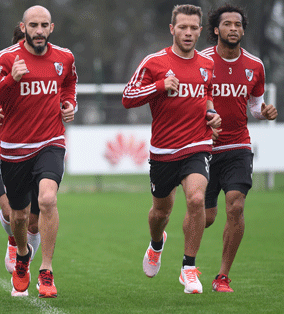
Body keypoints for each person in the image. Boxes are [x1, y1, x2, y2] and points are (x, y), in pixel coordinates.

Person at [122, 4, 221, 294]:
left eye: (193, 28)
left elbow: (207, 96)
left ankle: (189, 268)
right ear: (172, 29)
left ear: (200, 31)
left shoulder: (206, 64)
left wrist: (212, 115)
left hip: (198, 145)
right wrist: (159, 86)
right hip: (163, 152)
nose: (188, 33)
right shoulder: (154, 62)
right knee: (159, 213)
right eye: (182, 27)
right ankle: (156, 243)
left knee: (196, 199)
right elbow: (128, 97)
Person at [0, 5, 77, 298]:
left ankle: (46, 271)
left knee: (48, 200)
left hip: (50, 142)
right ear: (23, 27)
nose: (38, 30)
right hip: (13, 150)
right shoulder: (6, 59)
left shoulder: (65, 57)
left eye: (43, 25)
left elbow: (69, 85)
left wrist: (70, 104)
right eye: (32, 25)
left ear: (51, 28)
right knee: (19, 217)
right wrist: (12, 80)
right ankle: (23, 255)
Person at [200, 4, 278, 292]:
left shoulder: (255, 66)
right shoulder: (201, 61)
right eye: (227, 24)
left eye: (238, 24)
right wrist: (206, 120)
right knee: (205, 217)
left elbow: (255, 107)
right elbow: (190, 101)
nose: (233, 28)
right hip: (204, 149)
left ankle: (222, 276)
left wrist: (264, 112)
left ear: (243, 30)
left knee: (236, 205)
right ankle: (188, 263)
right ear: (216, 29)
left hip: (238, 146)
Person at [0, 25, 41, 297]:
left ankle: (25, 260)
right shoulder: (6, 73)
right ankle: (14, 241)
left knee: (33, 223)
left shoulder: (45, 75)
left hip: (38, 154)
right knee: (11, 213)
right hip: (5, 154)